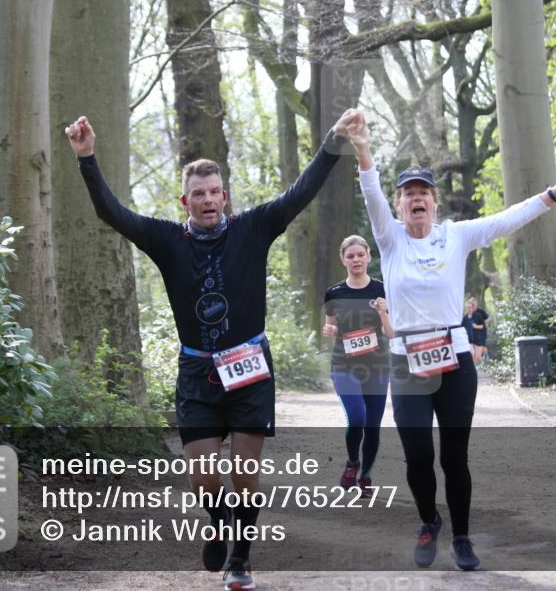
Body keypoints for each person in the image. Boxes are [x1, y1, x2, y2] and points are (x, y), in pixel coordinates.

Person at [66, 110, 356, 590]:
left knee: (244, 472)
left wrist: (332, 140)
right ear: (186, 201)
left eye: (214, 192)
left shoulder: (254, 228)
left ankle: (239, 559)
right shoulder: (165, 239)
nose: (207, 200)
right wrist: (87, 159)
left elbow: (301, 191)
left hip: (249, 368)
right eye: (198, 194)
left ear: (226, 196)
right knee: (202, 477)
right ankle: (221, 522)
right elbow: (110, 213)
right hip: (197, 372)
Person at [344, 111, 556, 571]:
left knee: (455, 456)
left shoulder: (456, 235)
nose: (416, 200)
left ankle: (462, 536)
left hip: (454, 357)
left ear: (435, 204)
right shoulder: (389, 238)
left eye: (423, 194)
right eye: (408, 195)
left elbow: (508, 218)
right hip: (408, 362)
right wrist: (362, 148)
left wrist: (554, 193)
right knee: (418, 456)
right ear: (398, 207)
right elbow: (370, 188)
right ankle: (427, 519)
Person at [321, 235, 392, 496]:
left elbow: (391, 331)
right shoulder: (334, 292)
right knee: (357, 417)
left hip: (377, 366)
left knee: (372, 424)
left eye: (360, 255)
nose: (356, 260)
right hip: (344, 364)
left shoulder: (382, 289)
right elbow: (330, 326)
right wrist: (328, 330)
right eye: (350, 256)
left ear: (368, 256)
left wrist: (384, 313)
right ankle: (353, 461)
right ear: (343, 260)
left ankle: (366, 475)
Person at [461, 298, 490, 365]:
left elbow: (486, 320)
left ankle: (485, 358)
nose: (471, 308)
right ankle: (477, 365)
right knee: (473, 354)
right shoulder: (465, 317)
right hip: (471, 337)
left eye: (472, 305)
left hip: (481, 333)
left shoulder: (479, 312)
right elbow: (462, 326)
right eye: (469, 307)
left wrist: (480, 324)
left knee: (482, 348)